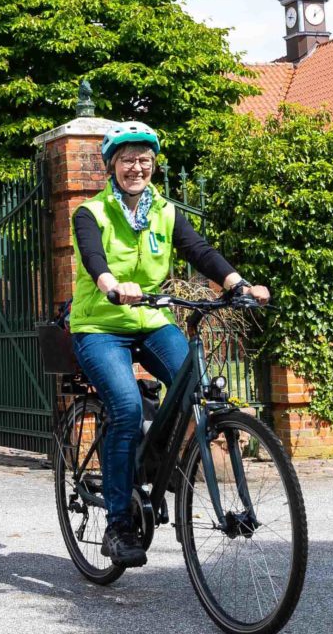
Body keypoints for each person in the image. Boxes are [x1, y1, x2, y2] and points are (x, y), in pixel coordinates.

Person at [69, 120, 270, 568]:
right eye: (126, 160)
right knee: (123, 407)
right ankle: (120, 524)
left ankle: (158, 463)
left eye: (144, 160)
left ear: (153, 165)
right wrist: (109, 283)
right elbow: (92, 255)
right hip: (100, 325)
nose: (135, 167)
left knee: (196, 390)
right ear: (111, 167)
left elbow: (199, 250)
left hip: (151, 320)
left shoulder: (165, 211)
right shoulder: (91, 213)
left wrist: (239, 283)